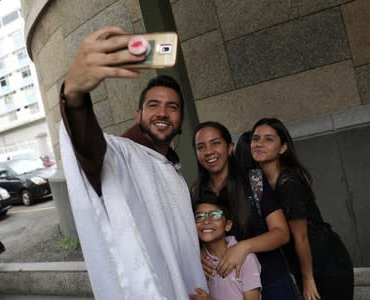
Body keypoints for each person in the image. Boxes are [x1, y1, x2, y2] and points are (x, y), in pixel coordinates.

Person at [59, 26, 206, 299]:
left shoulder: (170, 168)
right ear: (138, 114)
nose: (162, 112)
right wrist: (74, 97)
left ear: (181, 121)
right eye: (153, 105)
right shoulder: (120, 155)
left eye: (172, 107)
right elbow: (90, 149)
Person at [191, 121, 298, 300]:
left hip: (271, 283)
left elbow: (281, 233)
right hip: (228, 290)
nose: (208, 151)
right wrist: (200, 252)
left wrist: (243, 247)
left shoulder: (254, 181)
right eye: (201, 147)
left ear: (230, 147)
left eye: (215, 143)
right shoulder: (197, 192)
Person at [251, 118, 354, 300]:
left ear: (283, 148)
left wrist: (308, 279)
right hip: (302, 262)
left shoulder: (289, 183)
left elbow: (302, 236)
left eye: (268, 139)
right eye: (256, 138)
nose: (259, 144)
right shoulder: (260, 182)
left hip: (325, 262)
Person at [192, 193, 261, 300]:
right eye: (199, 216)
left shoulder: (246, 258)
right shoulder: (198, 260)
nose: (206, 221)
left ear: (228, 225)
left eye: (214, 215)